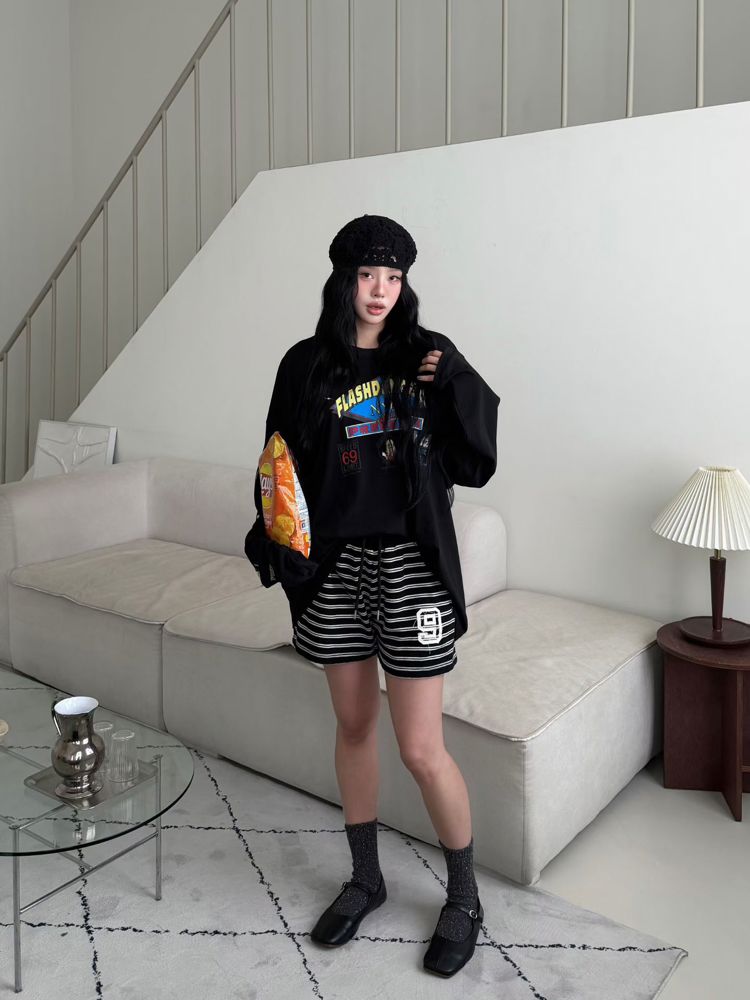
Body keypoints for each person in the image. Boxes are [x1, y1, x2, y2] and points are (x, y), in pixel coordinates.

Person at [245, 214, 501, 977]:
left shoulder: (427, 357)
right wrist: (281, 543)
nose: (381, 290)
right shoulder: (305, 364)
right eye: (367, 275)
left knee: (421, 748)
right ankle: (366, 879)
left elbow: (474, 461)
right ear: (344, 280)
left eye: (393, 277)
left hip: (411, 567)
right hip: (335, 567)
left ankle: (464, 899)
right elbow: (277, 463)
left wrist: (453, 381)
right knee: (355, 726)